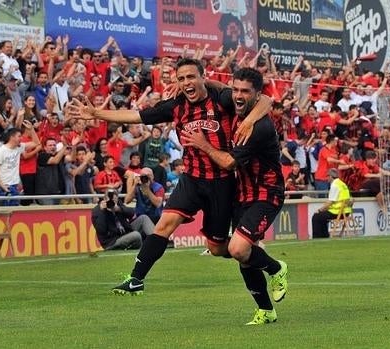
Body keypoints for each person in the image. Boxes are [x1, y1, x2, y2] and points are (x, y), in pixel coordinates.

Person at [66, 58, 271, 297]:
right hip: (191, 179)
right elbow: (135, 116)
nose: (186, 83)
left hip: (222, 183)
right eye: (181, 78)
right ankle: (136, 278)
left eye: (191, 77)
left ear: (203, 77)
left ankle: (262, 259)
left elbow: (265, 100)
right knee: (164, 224)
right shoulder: (175, 106)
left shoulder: (222, 99)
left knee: (217, 248)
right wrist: (96, 113)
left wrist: (249, 120)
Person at [181, 67, 288, 325]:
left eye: (245, 92)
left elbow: (229, 163)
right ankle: (266, 310)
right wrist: (197, 79)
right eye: (236, 90)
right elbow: (220, 88)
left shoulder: (259, 127)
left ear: (256, 95)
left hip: (266, 192)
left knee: (239, 249)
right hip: (242, 193)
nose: (238, 95)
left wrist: (202, 144)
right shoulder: (236, 106)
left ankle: (277, 269)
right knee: (221, 249)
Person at [311, 168, 351, 239]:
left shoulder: (334, 185)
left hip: (338, 211)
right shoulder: (342, 184)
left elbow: (330, 202)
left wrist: (320, 209)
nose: (326, 178)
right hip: (346, 211)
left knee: (316, 217)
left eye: (327, 176)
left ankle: (317, 238)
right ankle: (325, 236)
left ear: (330, 176)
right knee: (322, 217)